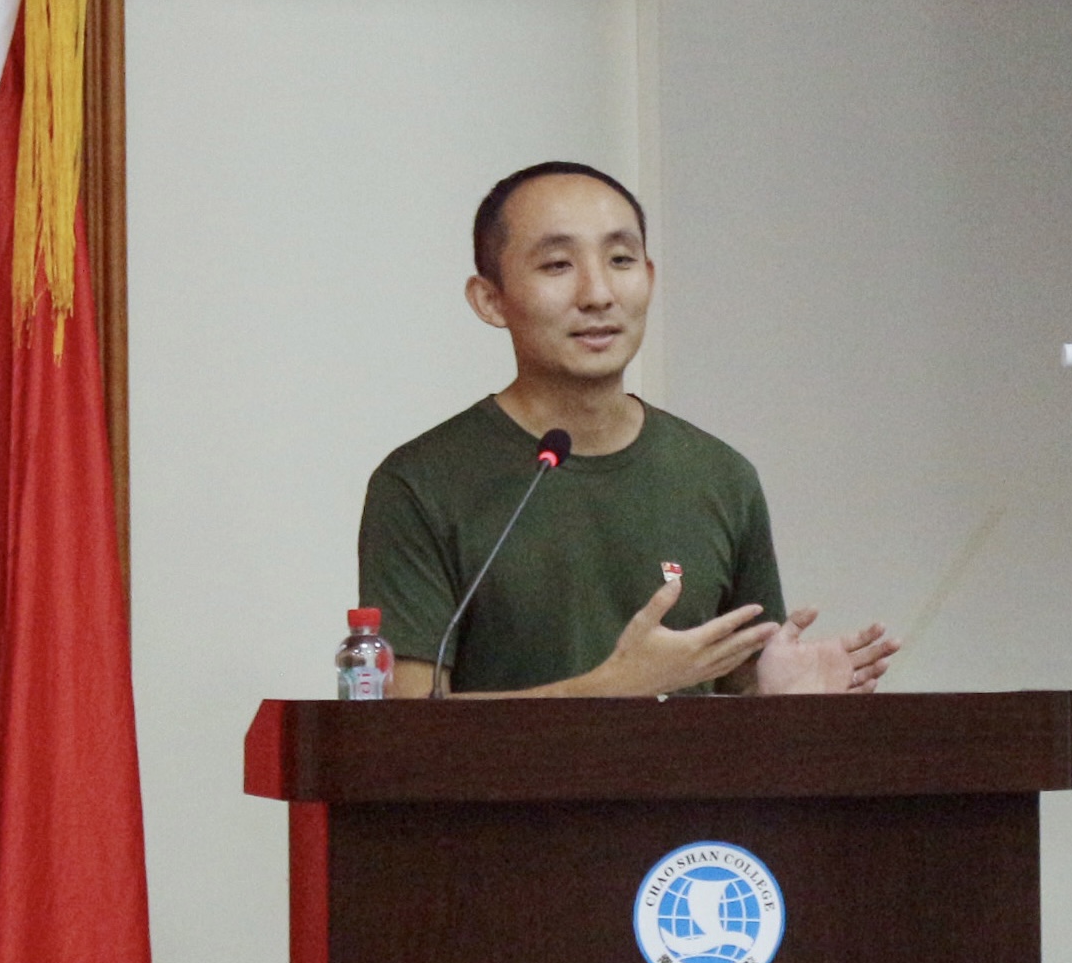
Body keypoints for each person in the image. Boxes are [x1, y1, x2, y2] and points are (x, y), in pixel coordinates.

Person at [357, 161, 899, 698]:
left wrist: (780, 700)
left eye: (620, 260)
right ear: (490, 300)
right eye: (557, 265)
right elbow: (408, 723)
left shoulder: (720, 476)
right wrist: (608, 689)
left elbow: (737, 695)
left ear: (650, 278)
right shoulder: (421, 483)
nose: (598, 294)